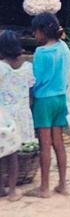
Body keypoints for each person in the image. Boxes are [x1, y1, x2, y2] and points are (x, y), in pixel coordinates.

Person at [28, 13, 70, 198]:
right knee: (58, 143)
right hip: (60, 98)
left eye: (35, 31)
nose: (34, 35)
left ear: (42, 31)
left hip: (43, 101)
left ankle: (44, 187)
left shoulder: (40, 53)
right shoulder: (62, 48)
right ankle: (62, 184)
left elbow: (34, 81)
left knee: (44, 145)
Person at [0, 30, 35, 201]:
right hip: (20, 116)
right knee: (13, 155)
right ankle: (12, 191)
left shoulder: (1, 68)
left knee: (1, 153)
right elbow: (31, 87)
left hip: (3, 118)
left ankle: (1, 187)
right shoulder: (27, 68)